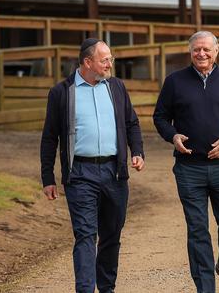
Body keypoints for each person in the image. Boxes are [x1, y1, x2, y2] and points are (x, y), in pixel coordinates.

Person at [153, 31, 219, 293]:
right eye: (197, 49)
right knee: (198, 229)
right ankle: (205, 288)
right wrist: (172, 135)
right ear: (190, 52)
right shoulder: (175, 81)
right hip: (189, 168)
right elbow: (160, 117)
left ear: (216, 51)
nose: (201, 54)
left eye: (206, 49)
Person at [40, 38, 145, 293]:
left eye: (110, 58)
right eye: (104, 59)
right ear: (88, 62)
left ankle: (107, 288)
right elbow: (49, 136)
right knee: (86, 235)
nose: (110, 64)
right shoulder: (62, 92)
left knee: (111, 235)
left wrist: (137, 151)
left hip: (114, 172)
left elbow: (132, 122)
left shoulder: (117, 87)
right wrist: (48, 177)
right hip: (80, 174)